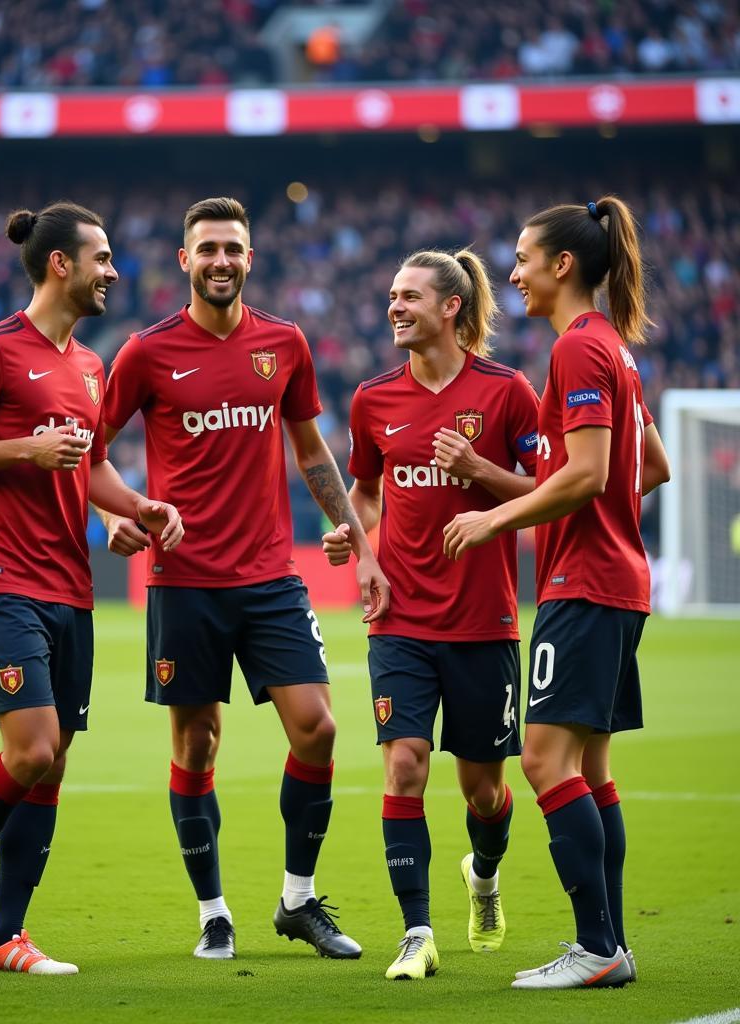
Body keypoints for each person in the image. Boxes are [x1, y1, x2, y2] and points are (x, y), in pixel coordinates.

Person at [101, 196, 389, 961]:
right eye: (208, 249)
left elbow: (312, 451)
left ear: (249, 259)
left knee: (319, 728)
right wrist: (116, 515)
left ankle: (298, 901)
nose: (221, 261)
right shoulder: (144, 352)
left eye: (233, 248)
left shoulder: (285, 343)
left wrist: (361, 544)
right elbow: (87, 450)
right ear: (184, 261)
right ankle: (213, 912)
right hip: (183, 580)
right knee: (197, 744)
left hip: (270, 576)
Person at [0, 201, 183, 976]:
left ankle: (6, 937)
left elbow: (90, 462)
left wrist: (137, 506)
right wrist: (23, 449)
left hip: (71, 580)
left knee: (54, 761)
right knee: (30, 749)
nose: (114, 271)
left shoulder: (88, 364)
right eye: (102, 258)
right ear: (61, 263)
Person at [443, 197, 671, 989]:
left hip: (584, 584)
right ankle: (611, 943)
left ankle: (597, 947)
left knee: (541, 761)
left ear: (561, 266)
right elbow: (654, 467)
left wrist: (494, 514)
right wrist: (579, 502)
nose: (512, 273)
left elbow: (588, 473)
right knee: (592, 769)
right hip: (620, 580)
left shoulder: (578, 350)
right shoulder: (615, 349)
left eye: (522, 258)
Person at [322, 249, 540, 980]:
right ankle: (416, 932)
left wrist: (479, 472)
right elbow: (365, 493)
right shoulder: (373, 398)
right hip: (400, 620)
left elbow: (550, 491)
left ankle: (482, 874)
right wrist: (362, 553)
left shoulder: (507, 393)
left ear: (451, 307)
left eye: (409, 296)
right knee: (405, 766)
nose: (394, 307)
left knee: (485, 791)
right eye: (391, 295)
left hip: (483, 624)